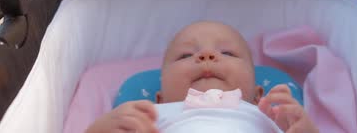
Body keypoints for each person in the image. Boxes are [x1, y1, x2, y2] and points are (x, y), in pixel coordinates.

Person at [85, 21, 319, 133]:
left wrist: (306, 129)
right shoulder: (151, 119)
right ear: (160, 98)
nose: (207, 55)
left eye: (227, 53)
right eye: (186, 55)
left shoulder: (268, 117)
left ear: (258, 95)